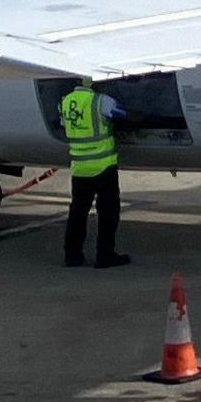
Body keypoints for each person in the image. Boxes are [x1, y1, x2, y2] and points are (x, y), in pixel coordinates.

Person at [57, 79, 133, 269]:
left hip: (79, 167)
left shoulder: (65, 102)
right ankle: (105, 255)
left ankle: (72, 256)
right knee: (108, 213)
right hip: (103, 166)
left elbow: (63, 124)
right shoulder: (101, 101)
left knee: (77, 212)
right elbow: (122, 114)